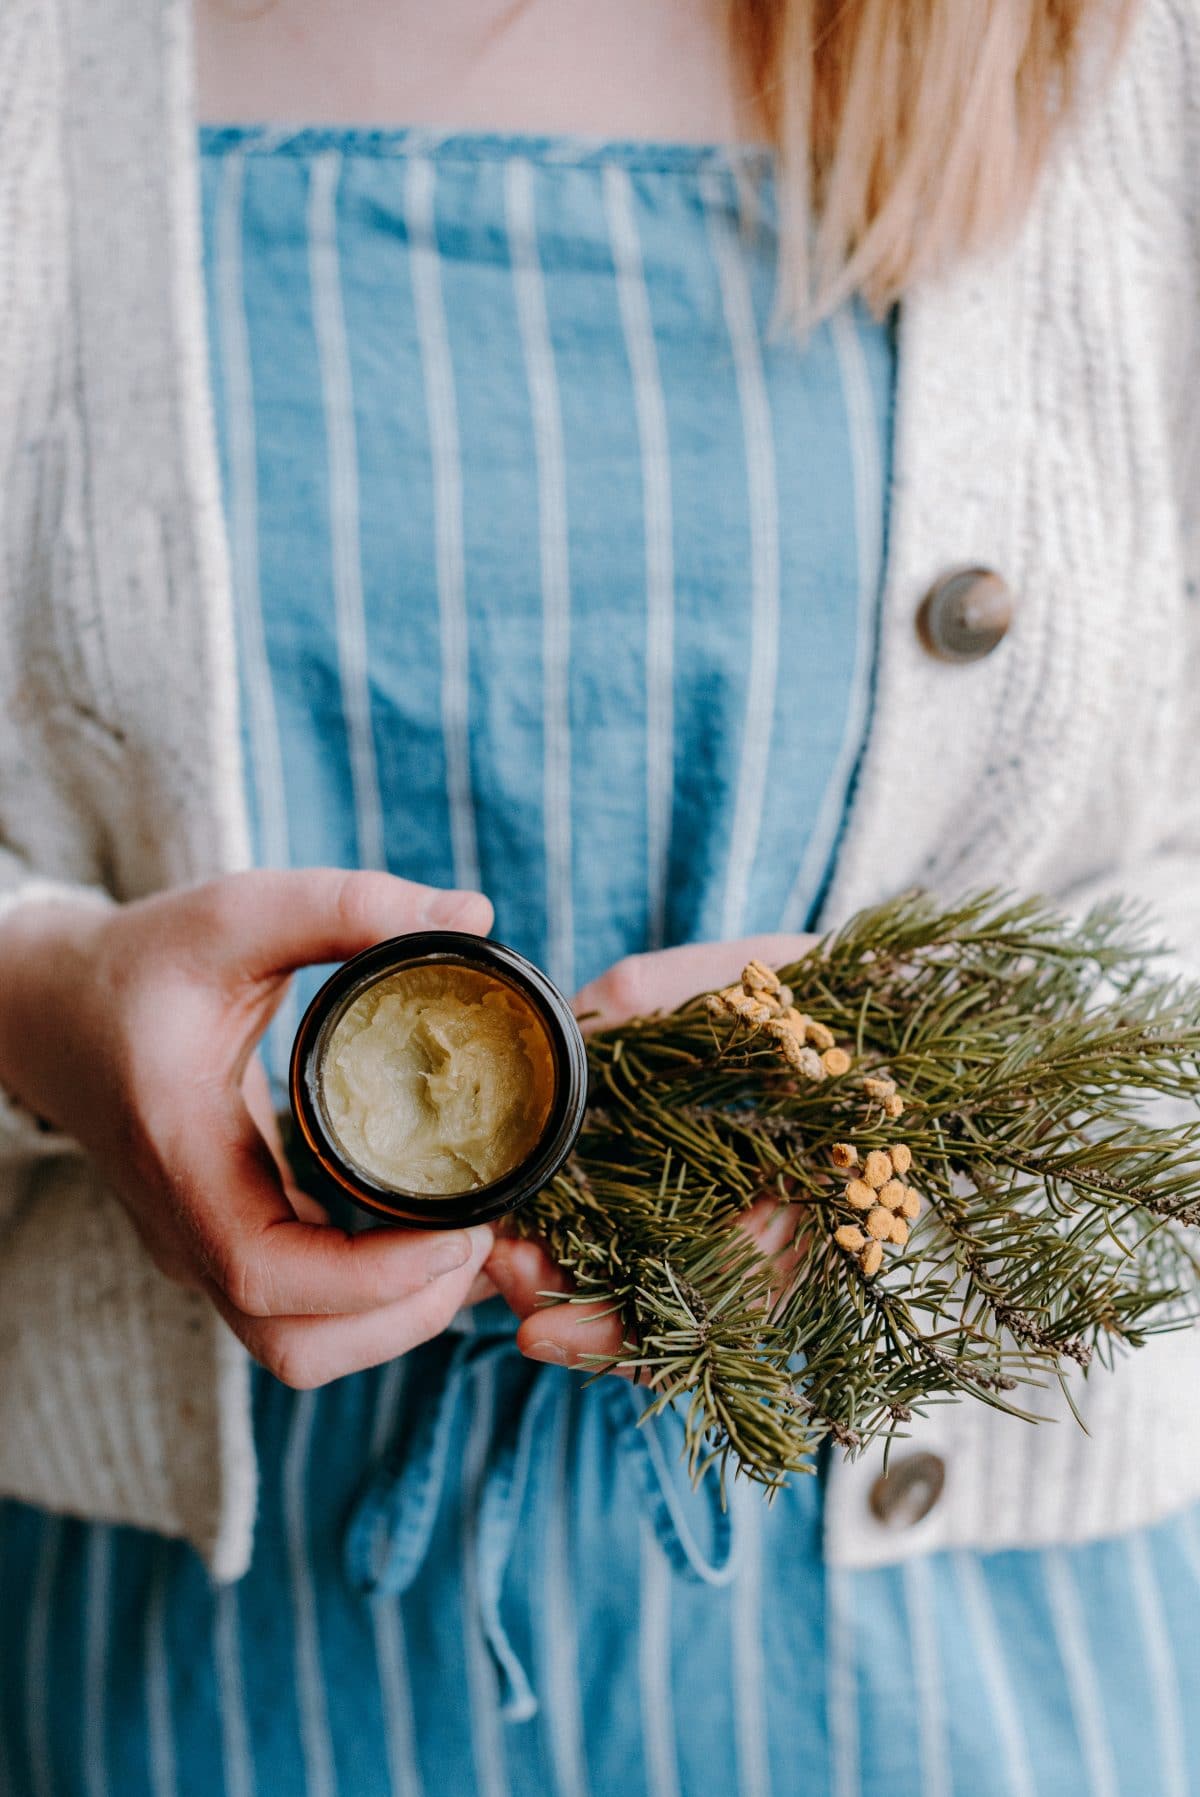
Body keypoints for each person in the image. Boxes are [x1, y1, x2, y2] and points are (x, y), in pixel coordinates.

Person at [1, 0, 1198, 1791]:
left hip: (949, 1684)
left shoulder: (1124, 56)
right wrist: (40, 1004)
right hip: (196, 1678)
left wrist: (937, 1090)